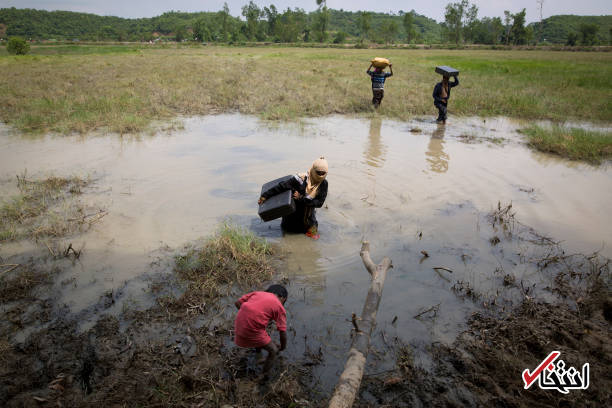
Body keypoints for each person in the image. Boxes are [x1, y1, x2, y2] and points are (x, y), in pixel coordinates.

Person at [258, 157, 328, 240]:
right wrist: (265, 195)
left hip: (309, 222)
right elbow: (281, 186)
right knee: (288, 238)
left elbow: (319, 203)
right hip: (291, 219)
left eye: (323, 173)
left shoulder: (323, 184)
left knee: (313, 241)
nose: (320, 176)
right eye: (318, 173)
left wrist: (301, 198)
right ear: (313, 169)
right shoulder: (300, 179)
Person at [234, 285, 288, 376]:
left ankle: (258, 354)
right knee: (273, 350)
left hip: (238, 326)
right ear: (283, 298)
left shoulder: (257, 293)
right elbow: (282, 332)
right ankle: (264, 375)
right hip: (250, 331)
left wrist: (248, 314)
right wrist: (282, 347)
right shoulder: (279, 307)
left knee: (260, 330)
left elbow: (237, 303)